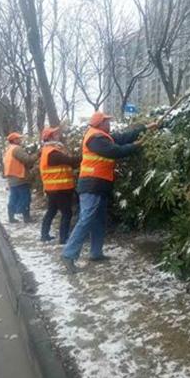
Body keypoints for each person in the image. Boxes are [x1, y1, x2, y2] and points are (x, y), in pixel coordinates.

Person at [61, 111, 158, 273]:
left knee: (98, 220)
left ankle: (96, 253)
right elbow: (115, 151)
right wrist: (137, 145)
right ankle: (68, 255)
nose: (109, 124)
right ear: (100, 123)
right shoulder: (95, 138)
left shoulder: (104, 136)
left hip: (100, 185)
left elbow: (124, 136)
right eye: (107, 121)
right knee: (86, 219)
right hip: (91, 185)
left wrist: (146, 128)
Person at [39, 126, 81, 244]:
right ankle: (63, 238)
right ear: (50, 137)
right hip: (59, 188)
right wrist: (87, 156)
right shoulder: (53, 152)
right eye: (55, 134)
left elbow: (69, 164)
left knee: (51, 211)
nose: (58, 135)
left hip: (54, 188)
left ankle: (44, 235)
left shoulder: (49, 150)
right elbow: (70, 161)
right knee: (67, 213)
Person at [3, 132, 38, 223]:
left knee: (14, 197)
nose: (20, 140)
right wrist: (38, 154)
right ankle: (26, 217)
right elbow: (27, 160)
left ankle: (11, 216)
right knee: (25, 198)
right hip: (20, 177)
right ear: (14, 140)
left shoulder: (9, 149)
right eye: (18, 138)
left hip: (12, 178)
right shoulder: (17, 149)